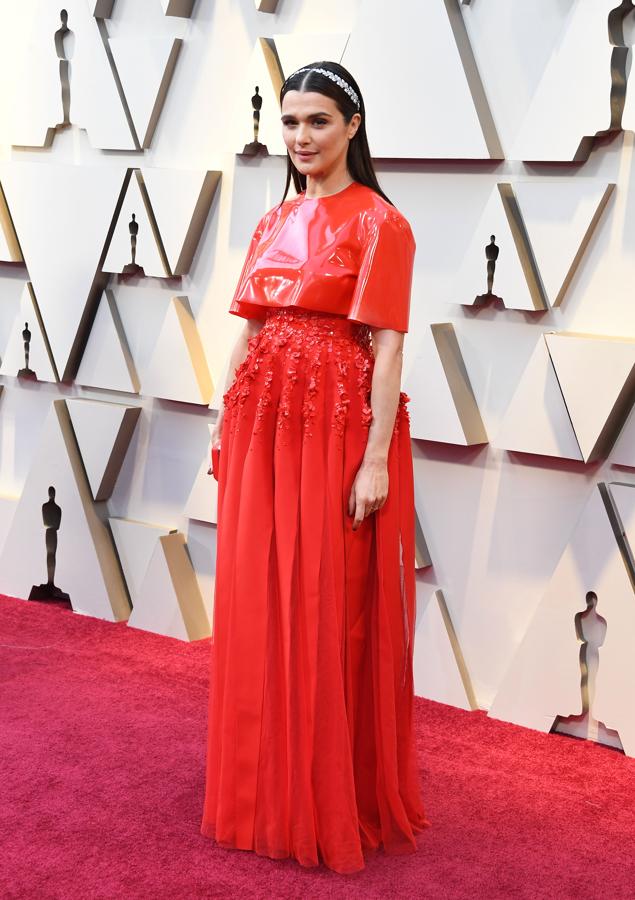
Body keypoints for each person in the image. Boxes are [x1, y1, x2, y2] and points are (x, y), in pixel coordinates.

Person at [201, 60, 429, 875]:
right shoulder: (272, 220)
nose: (300, 138)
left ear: (352, 127)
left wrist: (374, 461)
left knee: (327, 597)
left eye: (318, 122)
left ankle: (326, 791)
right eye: (291, 123)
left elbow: (391, 343)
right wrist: (223, 422)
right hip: (262, 419)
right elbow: (247, 328)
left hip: (335, 424)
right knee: (261, 592)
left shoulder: (380, 223)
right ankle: (264, 786)